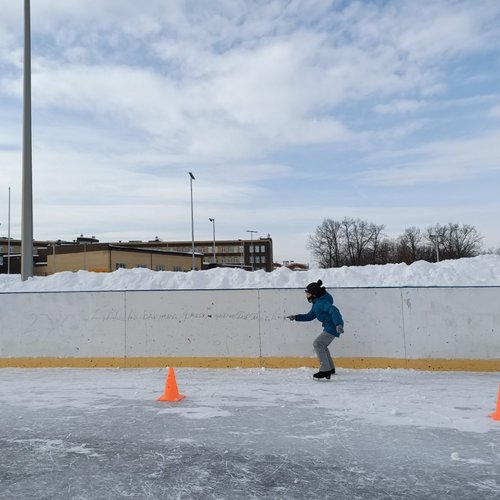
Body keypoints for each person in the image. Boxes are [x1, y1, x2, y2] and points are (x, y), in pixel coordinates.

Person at [287, 280, 344, 380]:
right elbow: (309, 316)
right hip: (330, 328)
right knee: (322, 346)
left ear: (314, 294)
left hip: (333, 328)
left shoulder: (322, 303)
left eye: (308, 294)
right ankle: (330, 368)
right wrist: (296, 317)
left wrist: (339, 324)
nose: (306, 296)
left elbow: (334, 311)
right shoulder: (316, 303)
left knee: (317, 344)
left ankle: (325, 370)